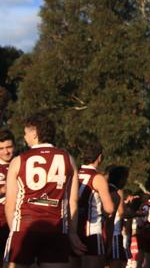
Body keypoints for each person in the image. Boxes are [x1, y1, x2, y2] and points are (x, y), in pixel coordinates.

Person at [4, 113, 85, 267]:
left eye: (25, 132)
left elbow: (10, 204)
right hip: (56, 228)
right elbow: (73, 202)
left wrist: (14, 231)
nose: (24, 136)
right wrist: (73, 233)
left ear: (34, 133)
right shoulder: (69, 159)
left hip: (25, 227)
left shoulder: (18, 160)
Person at [71, 140, 115, 268]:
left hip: (73, 229)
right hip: (92, 232)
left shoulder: (75, 174)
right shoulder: (98, 178)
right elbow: (109, 208)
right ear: (99, 157)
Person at [107, 166, 131, 268]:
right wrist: (137, 213)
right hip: (114, 232)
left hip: (106, 231)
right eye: (125, 178)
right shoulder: (117, 192)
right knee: (117, 262)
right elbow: (122, 212)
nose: (125, 181)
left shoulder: (103, 187)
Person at [0, 128, 15, 255]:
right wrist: (3, 189)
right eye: (1, 148)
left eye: (9, 147)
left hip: (18, 223)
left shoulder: (22, 163)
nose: (6, 152)